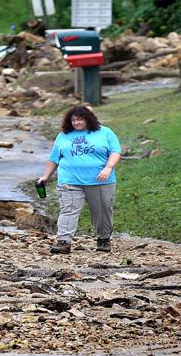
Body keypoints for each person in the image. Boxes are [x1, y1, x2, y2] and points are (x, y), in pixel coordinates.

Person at [36, 104, 122, 254]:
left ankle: (103, 239)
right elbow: (53, 158)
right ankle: (64, 241)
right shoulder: (64, 135)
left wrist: (108, 167)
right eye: (74, 120)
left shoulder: (105, 132)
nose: (76, 123)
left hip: (100, 180)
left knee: (102, 211)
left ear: (88, 119)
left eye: (80, 119)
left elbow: (115, 151)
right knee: (68, 210)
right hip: (69, 180)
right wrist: (45, 176)